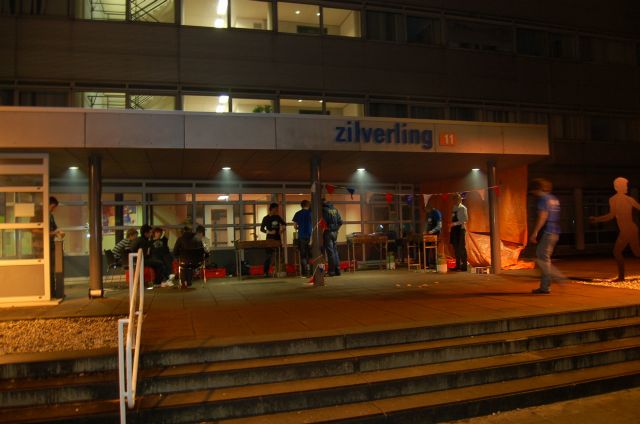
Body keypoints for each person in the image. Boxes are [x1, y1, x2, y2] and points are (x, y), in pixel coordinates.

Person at [589, 177, 640, 281]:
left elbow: (611, 215)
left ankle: (621, 277)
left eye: (626, 185)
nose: (626, 187)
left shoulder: (616, 199)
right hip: (630, 229)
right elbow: (612, 215)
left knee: (617, 252)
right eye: (625, 185)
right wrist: (597, 219)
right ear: (617, 187)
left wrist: (597, 219)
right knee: (636, 252)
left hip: (628, 229)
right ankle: (621, 277)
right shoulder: (626, 199)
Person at [529, 178, 562, 294]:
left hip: (548, 231)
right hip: (555, 231)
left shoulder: (543, 199)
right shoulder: (553, 199)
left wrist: (535, 232)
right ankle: (546, 284)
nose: (533, 193)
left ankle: (548, 284)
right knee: (543, 257)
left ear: (537, 189)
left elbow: (543, 216)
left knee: (542, 258)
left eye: (533, 191)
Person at [260, 203, 286, 277]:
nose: (277, 210)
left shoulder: (277, 217)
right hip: (269, 239)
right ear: (272, 209)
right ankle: (266, 272)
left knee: (279, 255)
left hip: (277, 239)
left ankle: (279, 271)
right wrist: (269, 232)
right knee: (268, 256)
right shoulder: (266, 218)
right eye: (276, 209)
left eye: (277, 209)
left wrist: (282, 230)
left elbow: (284, 224)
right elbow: (262, 229)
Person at [322, 198, 343, 277]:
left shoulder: (324, 210)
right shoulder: (335, 209)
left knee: (330, 253)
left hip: (328, 232)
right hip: (335, 233)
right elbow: (340, 222)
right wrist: (336, 229)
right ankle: (338, 270)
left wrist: (326, 229)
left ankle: (331, 271)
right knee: (335, 251)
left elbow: (323, 221)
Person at [292, 200, 313, 277]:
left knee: (303, 255)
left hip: (301, 236)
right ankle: (311, 271)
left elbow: (295, 226)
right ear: (308, 205)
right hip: (310, 236)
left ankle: (304, 272)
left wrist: (299, 227)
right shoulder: (311, 213)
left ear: (301, 205)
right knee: (310, 255)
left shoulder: (297, 213)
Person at [449, 193, 468, 271]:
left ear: (459, 199)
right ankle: (457, 266)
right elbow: (453, 218)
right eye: (453, 199)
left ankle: (464, 266)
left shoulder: (463, 208)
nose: (454, 201)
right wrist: (451, 225)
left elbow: (465, 220)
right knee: (456, 248)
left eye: (456, 199)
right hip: (454, 230)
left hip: (460, 230)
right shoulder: (454, 208)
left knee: (461, 248)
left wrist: (454, 224)